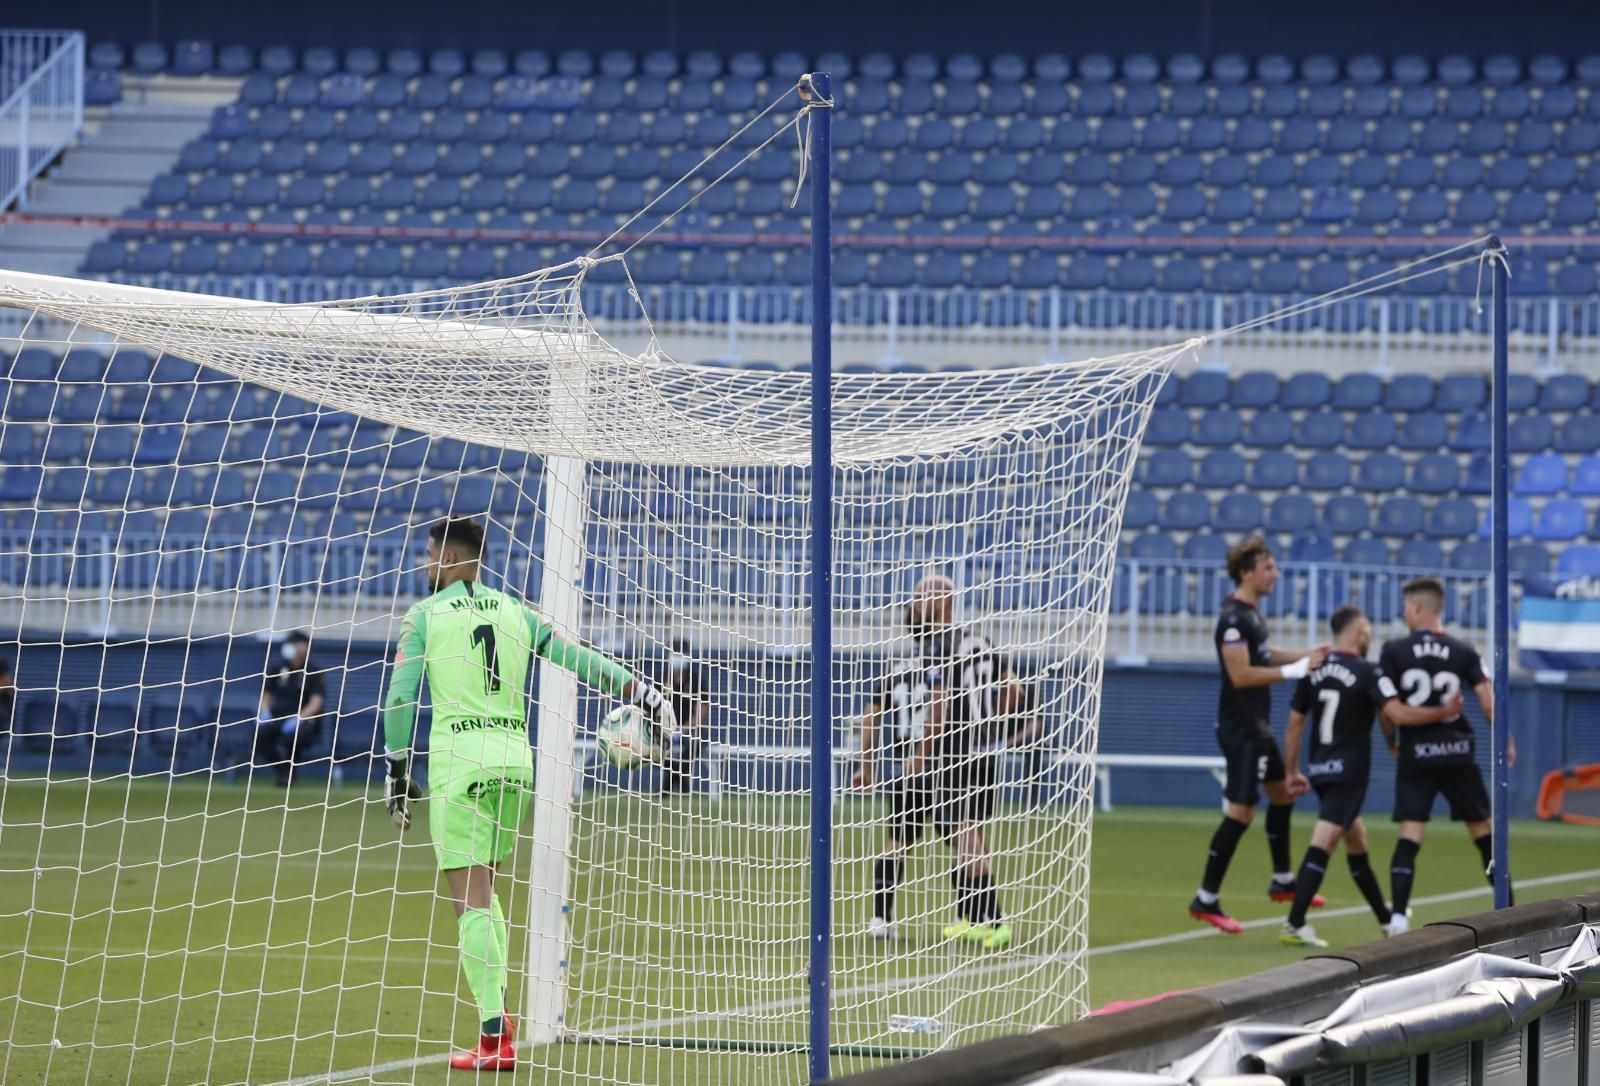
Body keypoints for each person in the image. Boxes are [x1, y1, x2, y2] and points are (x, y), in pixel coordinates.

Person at [381, 515, 677, 1072]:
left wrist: (398, 770)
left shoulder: (423, 616)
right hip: (517, 762)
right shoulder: (519, 613)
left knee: (468, 899)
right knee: (486, 892)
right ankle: (500, 1022)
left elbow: (400, 699)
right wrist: (645, 692)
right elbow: (579, 657)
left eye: (427, 555)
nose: (424, 565)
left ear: (448, 558)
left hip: (460, 764)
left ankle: (494, 1038)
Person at [1277, 606, 1464, 948]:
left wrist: (1292, 770)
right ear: (1361, 630)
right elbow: (1393, 712)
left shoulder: (1314, 670)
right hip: (1349, 771)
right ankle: (1295, 922)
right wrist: (1441, 713)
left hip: (1320, 769)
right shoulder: (1368, 671)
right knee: (1325, 840)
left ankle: (1385, 919)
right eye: (1369, 630)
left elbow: (1294, 724)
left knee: (1356, 840)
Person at [1188, 537, 1330, 934]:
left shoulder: (1251, 615)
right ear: (1246, 572)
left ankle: (1283, 879)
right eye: (1268, 567)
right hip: (1241, 730)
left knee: (1283, 793)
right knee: (1241, 812)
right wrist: (1296, 671)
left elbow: (1263, 655)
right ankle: (1206, 897)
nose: (1276, 574)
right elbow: (1241, 674)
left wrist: (1306, 655)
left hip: (1258, 725)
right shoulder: (1233, 619)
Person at [1379, 576, 1513, 935]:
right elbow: (1488, 702)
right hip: (1457, 751)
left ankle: (1397, 919)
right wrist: (1505, 742)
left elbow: (1388, 711)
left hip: (1417, 752)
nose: (1405, 612)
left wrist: (1391, 739)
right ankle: (1511, 912)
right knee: (1483, 832)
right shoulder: (1465, 650)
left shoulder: (1393, 651)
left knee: (1410, 833)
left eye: (1407, 606)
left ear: (1419, 607)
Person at [900, 574, 1024, 950]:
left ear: (942, 601)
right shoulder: (980, 640)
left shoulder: (941, 645)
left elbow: (939, 704)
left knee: (964, 835)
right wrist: (993, 728)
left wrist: (920, 753)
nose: (914, 602)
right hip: (985, 753)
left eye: (921, 595)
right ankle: (972, 917)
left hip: (957, 754)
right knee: (972, 836)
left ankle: (996, 920)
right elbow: (1014, 687)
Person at [257, 631, 324, 786]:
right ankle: (283, 771)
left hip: (303, 721)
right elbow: (266, 695)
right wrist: (265, 712)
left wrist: (298, 718)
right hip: (278, 717)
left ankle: (289, 774)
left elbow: (316, 702)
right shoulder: (278, 669)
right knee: (259, 736)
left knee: (293, 738)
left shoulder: (313, 672)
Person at [658, 639, 709, 794]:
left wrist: (685, 727)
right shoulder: (662, 678)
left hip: (689, 727)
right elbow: (654, 707)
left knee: (699, 739)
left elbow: (702, 709)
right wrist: (668, 726)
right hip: (666, 726)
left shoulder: (695, 680)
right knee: (651, 742)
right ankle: (680, 778)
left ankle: (672, 778)